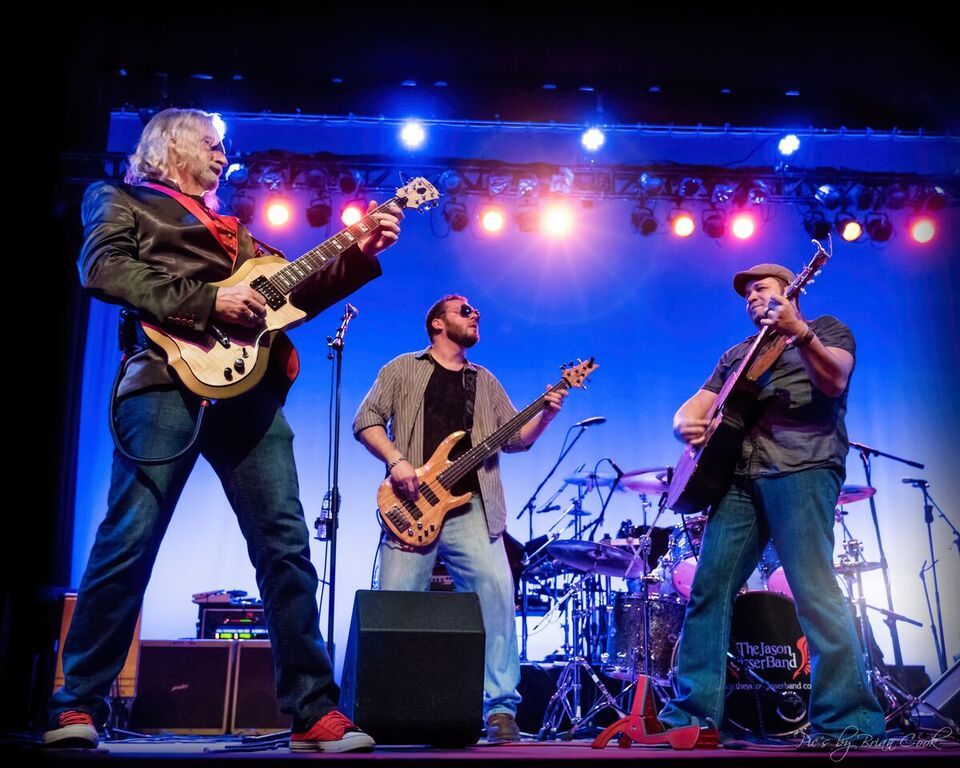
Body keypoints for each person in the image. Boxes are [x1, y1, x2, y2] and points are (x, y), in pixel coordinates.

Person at [44, 108, 403, 753]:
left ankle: (313, 711)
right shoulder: (121, 199)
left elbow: (291, 299)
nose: (223, 153)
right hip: (164, 378)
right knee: (129, 538)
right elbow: (104, 270)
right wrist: (210, 301)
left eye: (222, 146)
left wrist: (358, 256)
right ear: (171, 145)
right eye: (210, 143)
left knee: (286, 548)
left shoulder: (238, 235)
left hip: (249, 392)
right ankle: (77, 703)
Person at [658, 263, 886, 745]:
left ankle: (847, 721)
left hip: (803, 465)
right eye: (745, 296)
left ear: (791, 291)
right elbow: (696, 404)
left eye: (760, 289)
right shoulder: (737, 354)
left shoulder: (825, 329)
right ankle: (691, 720)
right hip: (739, 478)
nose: (751, 299)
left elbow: (835, 380)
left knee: (814, 589)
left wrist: (800, 333)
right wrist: (683, 423)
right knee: (708, 590)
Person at [352, 295, 567, 742]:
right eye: (464, 310)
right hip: (412, 505)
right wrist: (396, 461)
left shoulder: (484, 380)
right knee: (396, 608)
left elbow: (516, 439)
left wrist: (546, 415)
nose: (475, 314)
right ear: (437, 323)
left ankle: (500, 709)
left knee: (496, 597)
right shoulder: (402, 368)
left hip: (472, 506)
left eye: (476, 311)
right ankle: (391, 706)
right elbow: (366, 421)